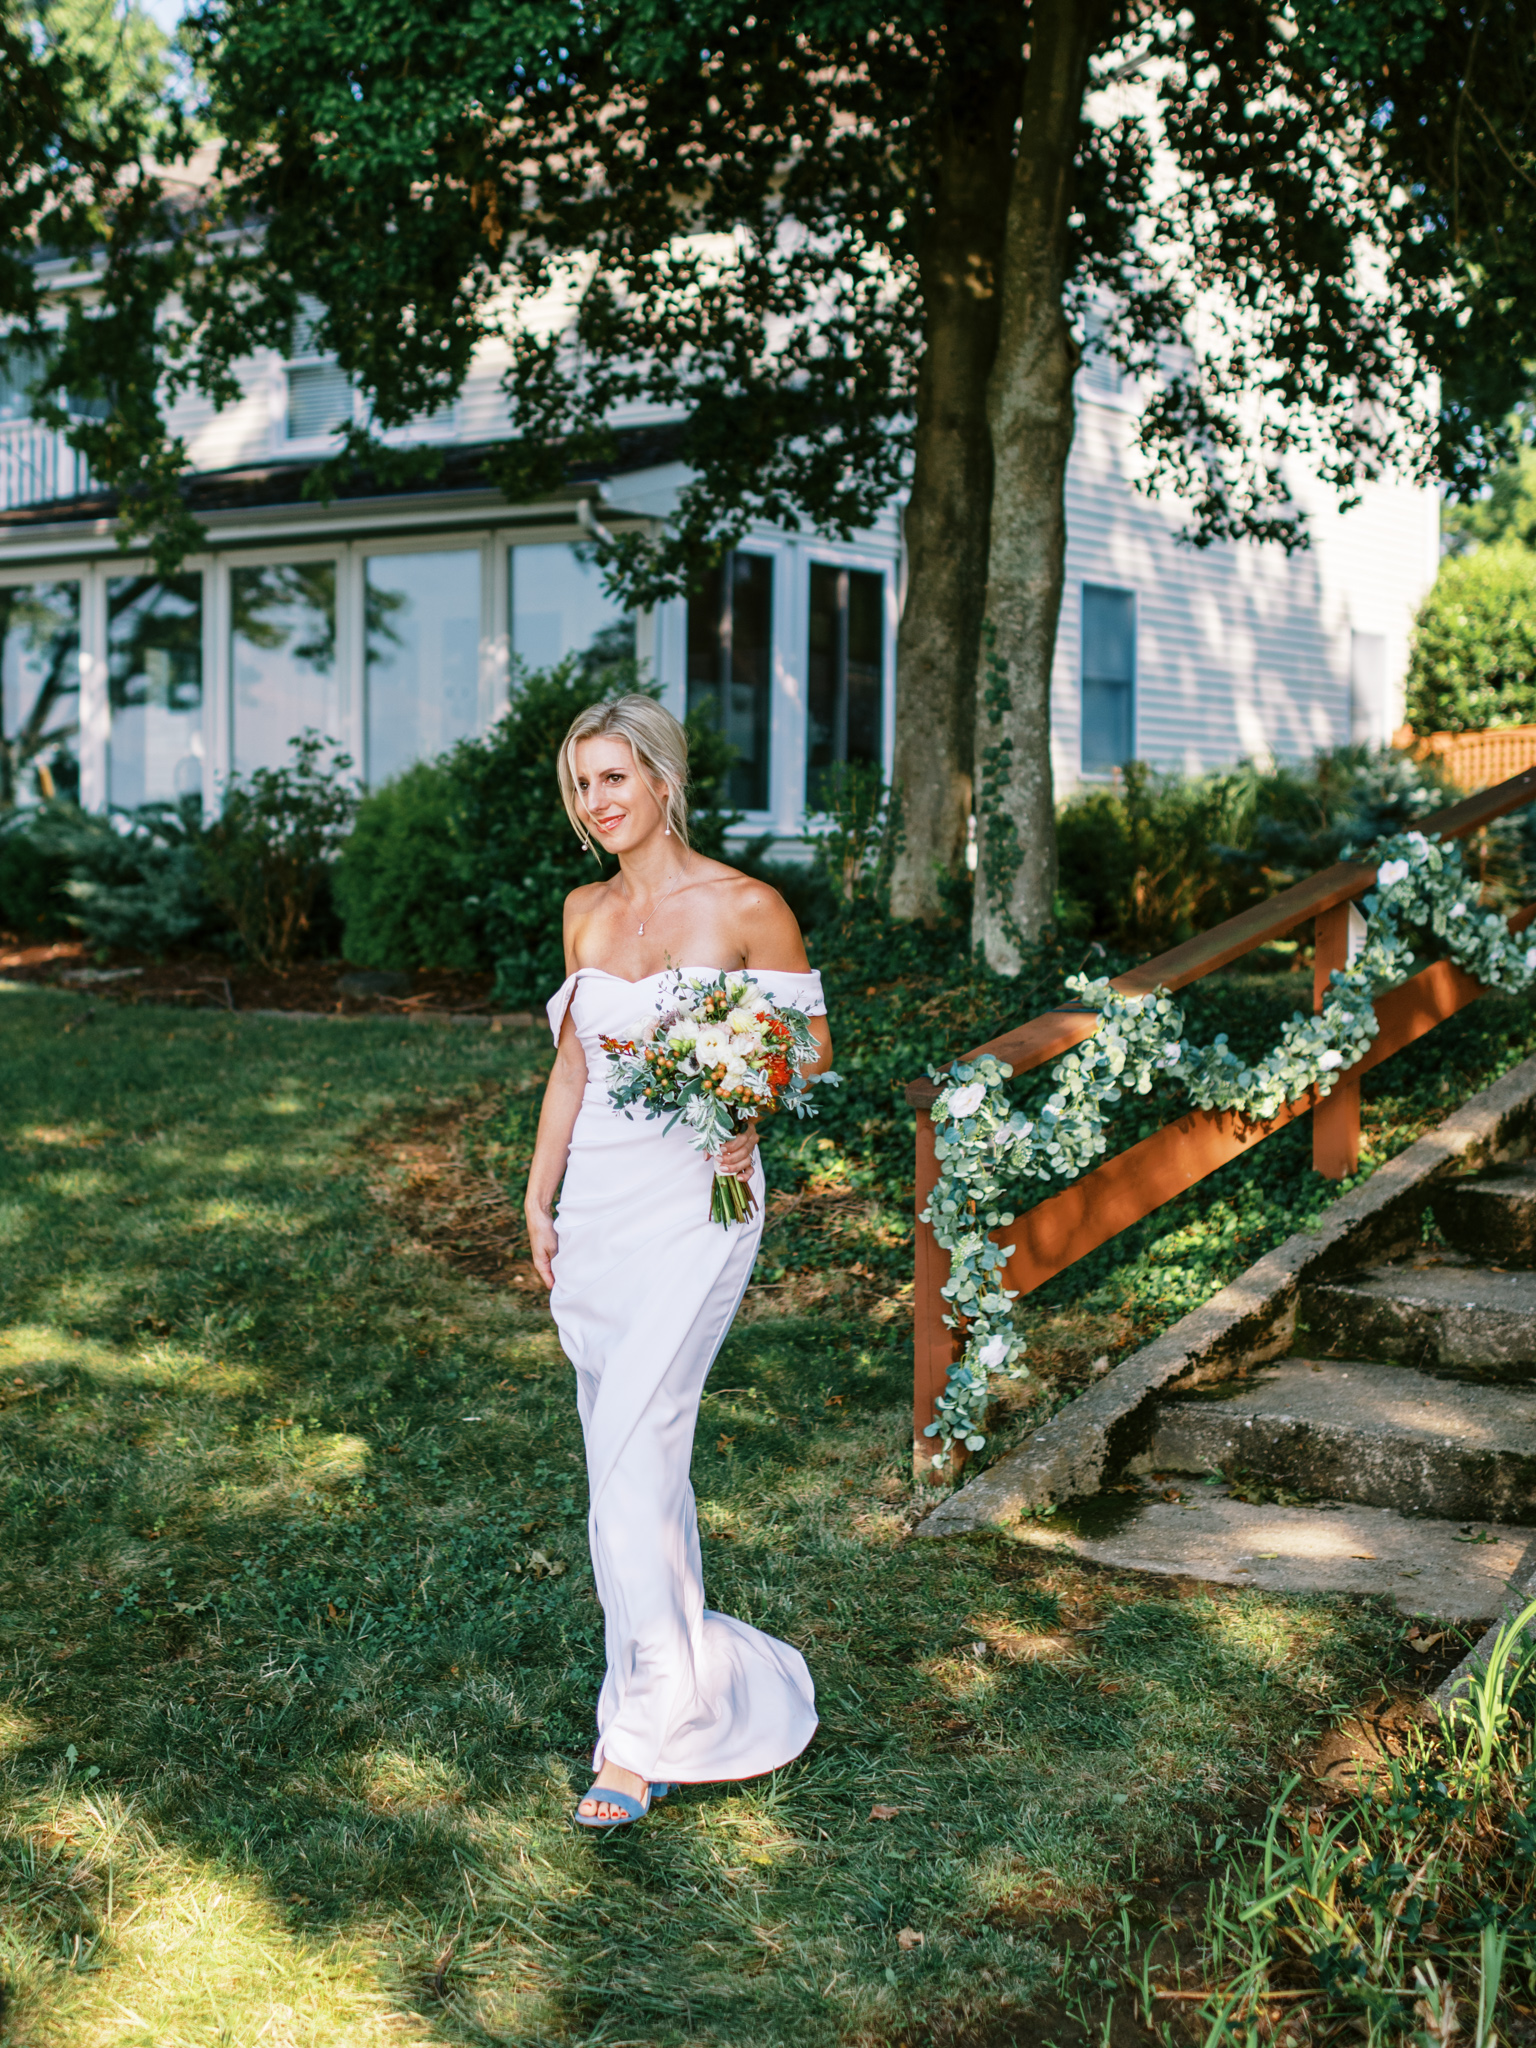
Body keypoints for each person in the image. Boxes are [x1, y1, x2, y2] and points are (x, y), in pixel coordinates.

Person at [525, 694, 834, 1828]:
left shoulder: (748, 906)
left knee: (632, 1447)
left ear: (663, 779)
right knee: (630, 1451)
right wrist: (538, 1193)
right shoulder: (585, 911)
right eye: (582, 784)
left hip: (702, 1200)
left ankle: (639, 1737)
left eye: (614, 777)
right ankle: (693, 1675)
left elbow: (809, 1046)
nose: (597, 801)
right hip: (600, 1205)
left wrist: (749, 1101)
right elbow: (573, 1067)